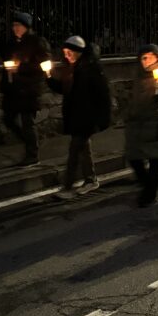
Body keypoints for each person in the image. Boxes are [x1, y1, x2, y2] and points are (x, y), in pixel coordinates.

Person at [47, 36, 111, 199]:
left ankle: (67, 187)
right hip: (77, 116)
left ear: (77, 52)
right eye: (64, 52)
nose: (66, 55)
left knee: (74, 151)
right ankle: (91, 179)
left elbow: (103, 96)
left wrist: (100, 119)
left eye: (69, 52)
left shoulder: (91, 69)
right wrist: (48, 77)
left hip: (87, 118)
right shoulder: (72, 68)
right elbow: (65, 89)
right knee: (83, 149)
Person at [125, 45, 158, 207]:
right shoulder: (138, 77)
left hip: (156, 125)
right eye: (144, 58)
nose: (147, 61)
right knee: (134, 158)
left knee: (155, 160)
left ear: (157, 58)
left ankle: (150, 193)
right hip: (139, 125)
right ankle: (148, 186)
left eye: (150, 57)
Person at [0, 11, 51, 166]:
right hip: (13, 89)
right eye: (13, 25)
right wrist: (5, 83)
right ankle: (31, 142)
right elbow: (6, 63)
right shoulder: (12, 43)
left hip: (30, 89)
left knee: (28, 121)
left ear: (26, 27)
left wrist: (20, 68)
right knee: (8, 119)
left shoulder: (37, 42)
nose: (15, 28)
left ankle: (32, 154)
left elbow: (43, 66)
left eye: (18, 25)